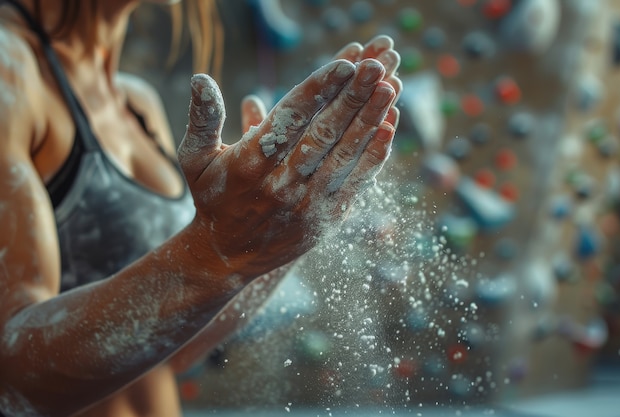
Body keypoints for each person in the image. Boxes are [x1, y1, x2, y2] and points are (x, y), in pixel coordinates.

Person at [0, 0, 402, 416]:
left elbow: (170, 349)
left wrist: (274, 236)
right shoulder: (8, 70)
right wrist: (217, 251)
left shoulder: (136, 102)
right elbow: (11, 378)